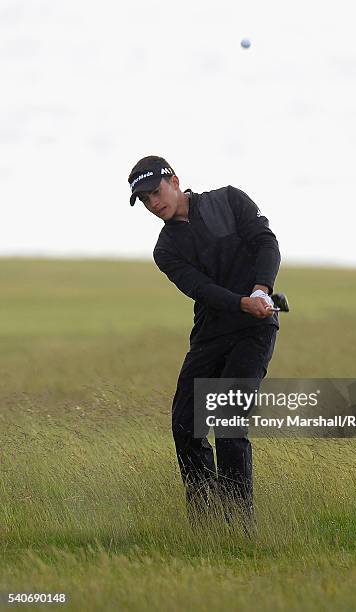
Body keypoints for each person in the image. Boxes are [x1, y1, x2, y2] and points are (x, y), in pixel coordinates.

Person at [127, 155, 281, 526]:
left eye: (155, 192)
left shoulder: (229, 200)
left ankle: (238, 525)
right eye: (145, 200)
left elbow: (266, 243)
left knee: (229, 423)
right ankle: (206, 520)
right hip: (211, 334)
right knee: (185, 425)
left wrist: (261, 291)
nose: (153, 203)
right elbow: (202, 289)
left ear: (174, 181)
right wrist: (242, 302)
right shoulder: (165, 250)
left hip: (254, 331)